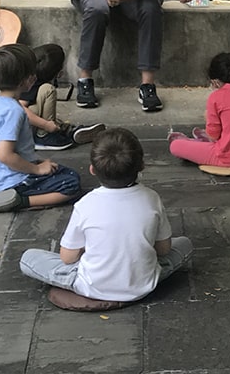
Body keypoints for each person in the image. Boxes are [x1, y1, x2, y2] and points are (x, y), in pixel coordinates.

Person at [19, 128, 193, 302]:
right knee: (185, 244)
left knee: (29, 258)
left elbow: (67, 257)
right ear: (141, 166)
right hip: (143, 284)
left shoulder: (85, 204)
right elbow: (163, 249)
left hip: (92, 285)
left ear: (92, 169)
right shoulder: (152, 198)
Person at [0, 44, 82, 214]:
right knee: (72, 183)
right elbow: (5, 155)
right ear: (25, 81)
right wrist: (36, 169)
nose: (35, 76)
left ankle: (10, 192)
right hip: (13, 180)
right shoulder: (13, 112)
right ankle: (19, 201)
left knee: (60, 170)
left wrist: (37, 164)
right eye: (32, 73)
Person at [167, 52, 230, 167]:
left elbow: (213, 136)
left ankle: (195, 143)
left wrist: (208, 118)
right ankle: (202, 141)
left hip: (229, 157)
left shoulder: (216, 97)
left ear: (215, 81)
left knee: (175, 146)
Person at [22, 44, 105, 150]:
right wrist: (45, 125)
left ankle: (65, 129)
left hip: (18, 124)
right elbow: (20, 109)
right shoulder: (32, 81)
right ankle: (44, 135)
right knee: (47, 90)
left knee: (44, 103)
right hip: (18, 127)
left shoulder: (32, 73)